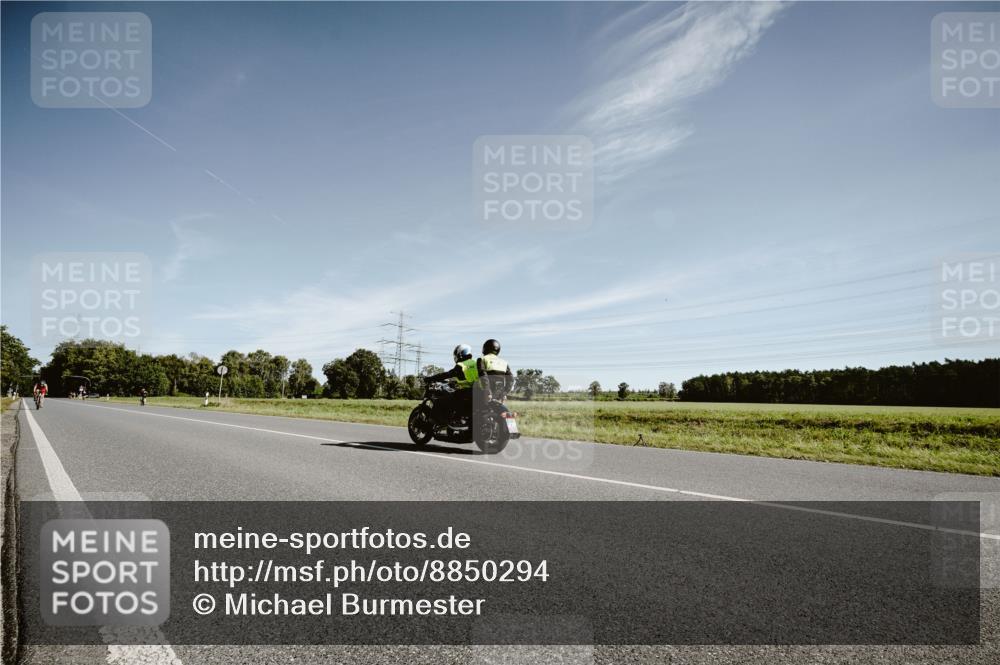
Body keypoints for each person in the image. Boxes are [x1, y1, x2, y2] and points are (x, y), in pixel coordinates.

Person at [423, 344, 479, 423]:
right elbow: (467, 378)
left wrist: (431, 378)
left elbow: (447, 374)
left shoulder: (461, 365)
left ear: (460, 354)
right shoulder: (475, 363)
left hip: (465, 393)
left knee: (440, 401)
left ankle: (434, 422)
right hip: (476, 392)